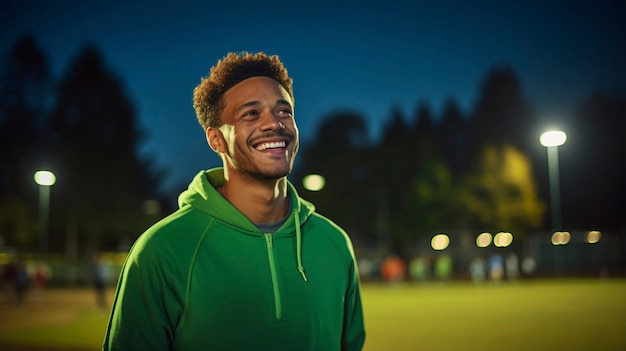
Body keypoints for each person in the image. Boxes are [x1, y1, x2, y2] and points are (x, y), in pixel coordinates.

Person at [103, 52, 366, 350]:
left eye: (284, 111)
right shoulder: (161, 250)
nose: (274, 124)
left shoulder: (334, 243)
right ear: (216, 139)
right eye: (251, 114)